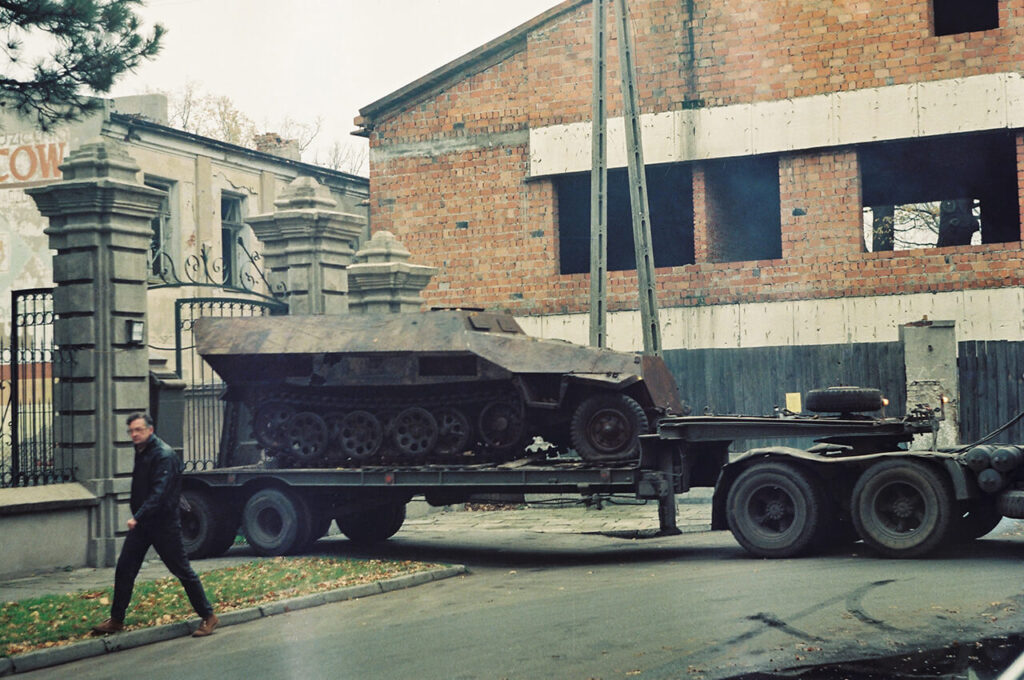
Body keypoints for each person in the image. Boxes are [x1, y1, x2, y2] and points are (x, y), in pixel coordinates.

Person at [92, 412, 219, 637]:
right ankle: (116, 620)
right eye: (131, 431)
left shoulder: (164, 455)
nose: (134, 434)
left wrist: (137, 516)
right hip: (144, 525)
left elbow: (159, 493)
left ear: (150, 430)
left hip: (163, 525)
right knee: (125, 569)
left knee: (182, 570)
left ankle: (209, 616)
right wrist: (140, 517)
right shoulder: (142, 451)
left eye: (139, 430)